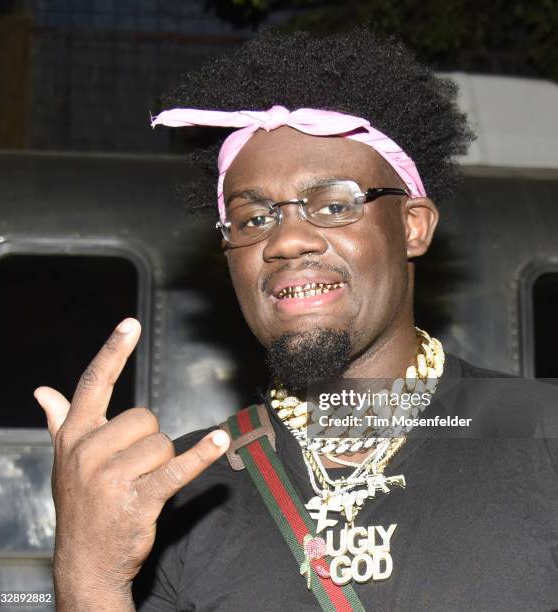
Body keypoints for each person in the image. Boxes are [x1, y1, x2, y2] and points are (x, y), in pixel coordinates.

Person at [35, 28, 558, 611]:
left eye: (334, 205)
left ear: (412, 225)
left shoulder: (543, 436)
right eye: (253, 218)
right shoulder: (184, 490)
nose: (285, 240)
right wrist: (89, 572)